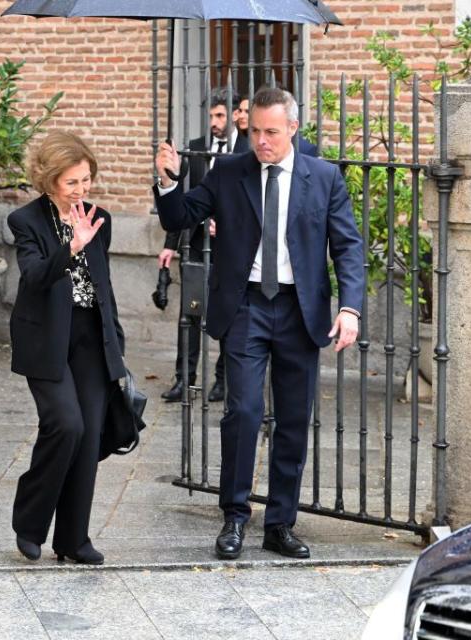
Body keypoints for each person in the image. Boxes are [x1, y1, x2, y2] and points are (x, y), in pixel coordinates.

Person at [154, 87, 364, 561]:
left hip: (299, 310)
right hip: (245, 306)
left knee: (292, 420)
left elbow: (348, 246)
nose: (261, 142)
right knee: (243, 412)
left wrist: (349, 308)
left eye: (271, 132)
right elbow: (184, 214)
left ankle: (280, 524)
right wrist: (169, 182)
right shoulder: (229, 171)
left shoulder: (324, 176)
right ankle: (234, 517)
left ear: (293, 128)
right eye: (254, 132)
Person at [8, 132, 126, 566]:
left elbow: (103, 285)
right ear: (48, 179)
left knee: (89, 434)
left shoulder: (100, 219)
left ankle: (73, 539)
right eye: (72, 182)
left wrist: (116, 343)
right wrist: (71, 245)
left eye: (86, 180)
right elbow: (36, 276)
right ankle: (30, 521)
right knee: (65, 425)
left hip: (92, 338)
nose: (81, 190)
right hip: (45, 336)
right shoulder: (26, 222)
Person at [158, 89, 237, 403]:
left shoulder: (246, 149)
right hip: (196, 244)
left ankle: (223, 380)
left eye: (220, 116)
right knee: (188, 316)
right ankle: (183, 379)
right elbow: (180, 203)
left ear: (234, 114)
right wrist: (169, 246)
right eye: (211, 116)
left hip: (233, 249)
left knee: (231, 315)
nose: (215, 123)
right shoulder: (193, 150)